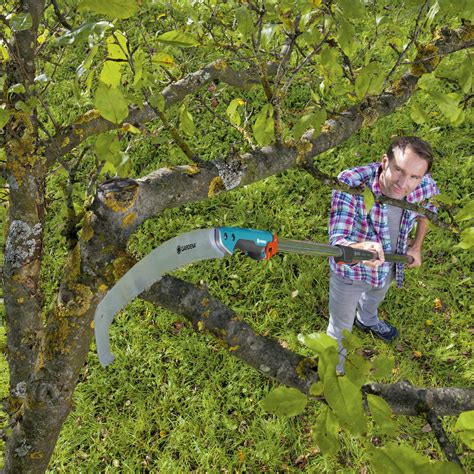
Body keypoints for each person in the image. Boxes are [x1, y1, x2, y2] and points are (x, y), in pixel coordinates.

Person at [327, 136, 439, 372]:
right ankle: (334, 372)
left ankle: (367, 320)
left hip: (390, 265)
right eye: (398, 170)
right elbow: (337, 241)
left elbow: (426, 212)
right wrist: (359, 249)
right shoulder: (351, 183)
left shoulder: (424, 184)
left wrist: (416, 247)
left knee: (375, 296)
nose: (403, 183)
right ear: (384, 161)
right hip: (351, 272)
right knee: (340, 327)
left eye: (414, 177)